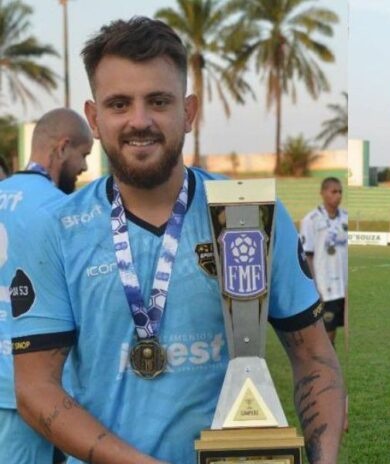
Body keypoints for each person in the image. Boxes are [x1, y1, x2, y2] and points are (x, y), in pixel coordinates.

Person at [11, 17, 344, 464]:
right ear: (94, 119)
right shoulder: (56, 229)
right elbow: (35, 388)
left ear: (188, 112)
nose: (139, 121)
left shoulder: (251, 216)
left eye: (158, 101)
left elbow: (314, 357)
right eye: (119, 104)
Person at [0, 108, 93, 463]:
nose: (85, 166)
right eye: (83, 154)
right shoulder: (61, 210)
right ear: (62, 148)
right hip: (28, 387)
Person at [300, 177, 349, 346]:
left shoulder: (346, 218)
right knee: (327, 334)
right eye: (334, 191)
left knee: (337, 331)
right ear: (322, 193)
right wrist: (314, 287)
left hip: (343, 287)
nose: (338, 195)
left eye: (340, 192)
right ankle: (327, 361)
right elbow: (307, 256)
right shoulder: (311, 220)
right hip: (325, 287)